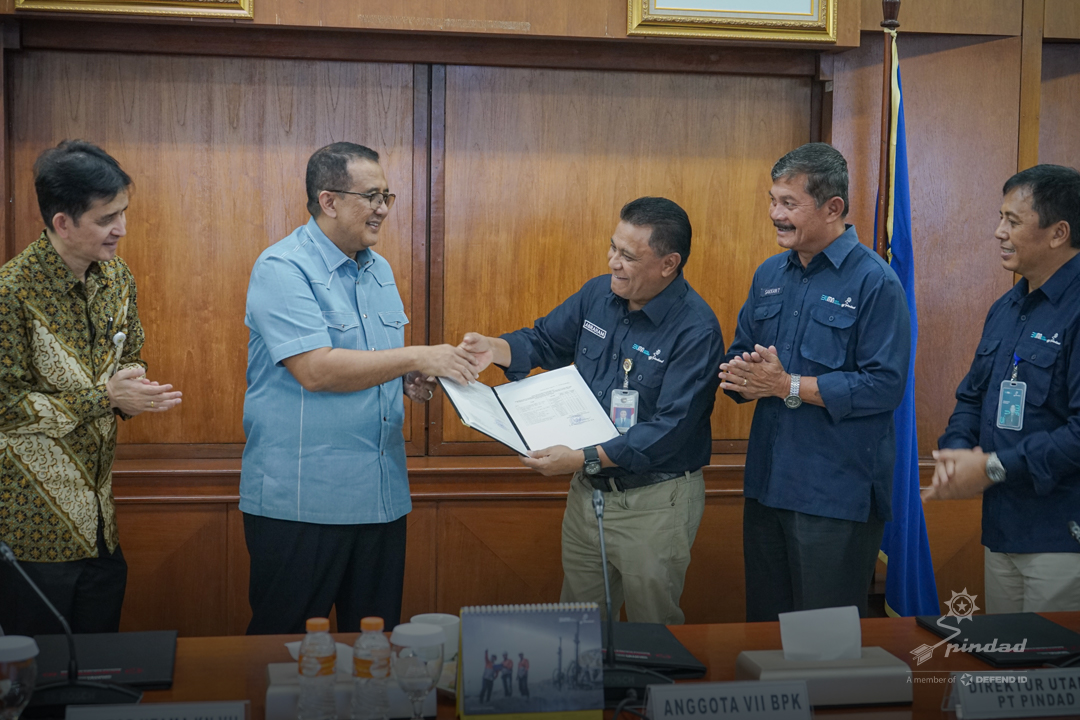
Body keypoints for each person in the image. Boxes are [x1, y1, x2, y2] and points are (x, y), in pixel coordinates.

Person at [241, 142, 480, 634]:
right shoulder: (282, 268)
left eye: (387, 197)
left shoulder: (380, 269)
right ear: (328, 201)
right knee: (282, 651)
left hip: (380, 498)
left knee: (375, 650)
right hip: (303, 503)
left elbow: (372, 364)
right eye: (372, 196)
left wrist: (411, 379)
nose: (383, 209)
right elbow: (317, 370)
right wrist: (416, 355)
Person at [461, 197, 724, 624]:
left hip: (655, 502)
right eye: (612, 248)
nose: (612, 262)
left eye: (628, 255)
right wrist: (494, 348)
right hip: (589, 495)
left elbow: (670, 428)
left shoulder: (696, 329)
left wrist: (583, 457)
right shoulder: (598, 294)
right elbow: (544, 340)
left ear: (668, 263)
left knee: (651, 633)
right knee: (577, 628)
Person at [719, 143, 910, 622]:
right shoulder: (769, 274)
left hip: (833, 496)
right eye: (772, 200)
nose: (774, 214)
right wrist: (740, 375)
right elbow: (743, 354)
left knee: (822, 644)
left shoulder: (875, 282)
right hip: (767, 486)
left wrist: (787, 385)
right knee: (765, 634)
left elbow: (884, 386)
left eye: (788, 203)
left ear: (834, 208)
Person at [0, 140, 182, 636]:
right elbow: (5, 407)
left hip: (101, 519)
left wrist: (134, 386)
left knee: (101, 675)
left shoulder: (117, 277)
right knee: (38, 682)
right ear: (63, 222)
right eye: (106, 219)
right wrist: (105, 397)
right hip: (33, 527)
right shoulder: (10, 292)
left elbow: (132, 355)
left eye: (122, 213)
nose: (120, 229)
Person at [925, 164, 1080, 613]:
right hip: (1001, 529)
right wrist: (956, 452)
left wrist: (992, 467)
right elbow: (973, 396)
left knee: (1051, 678)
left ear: (1058, 233)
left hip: (1061, 538)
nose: (998, 232)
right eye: (1001, 218)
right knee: (1006, 675)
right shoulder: (1008, 306)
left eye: (1012, 221)